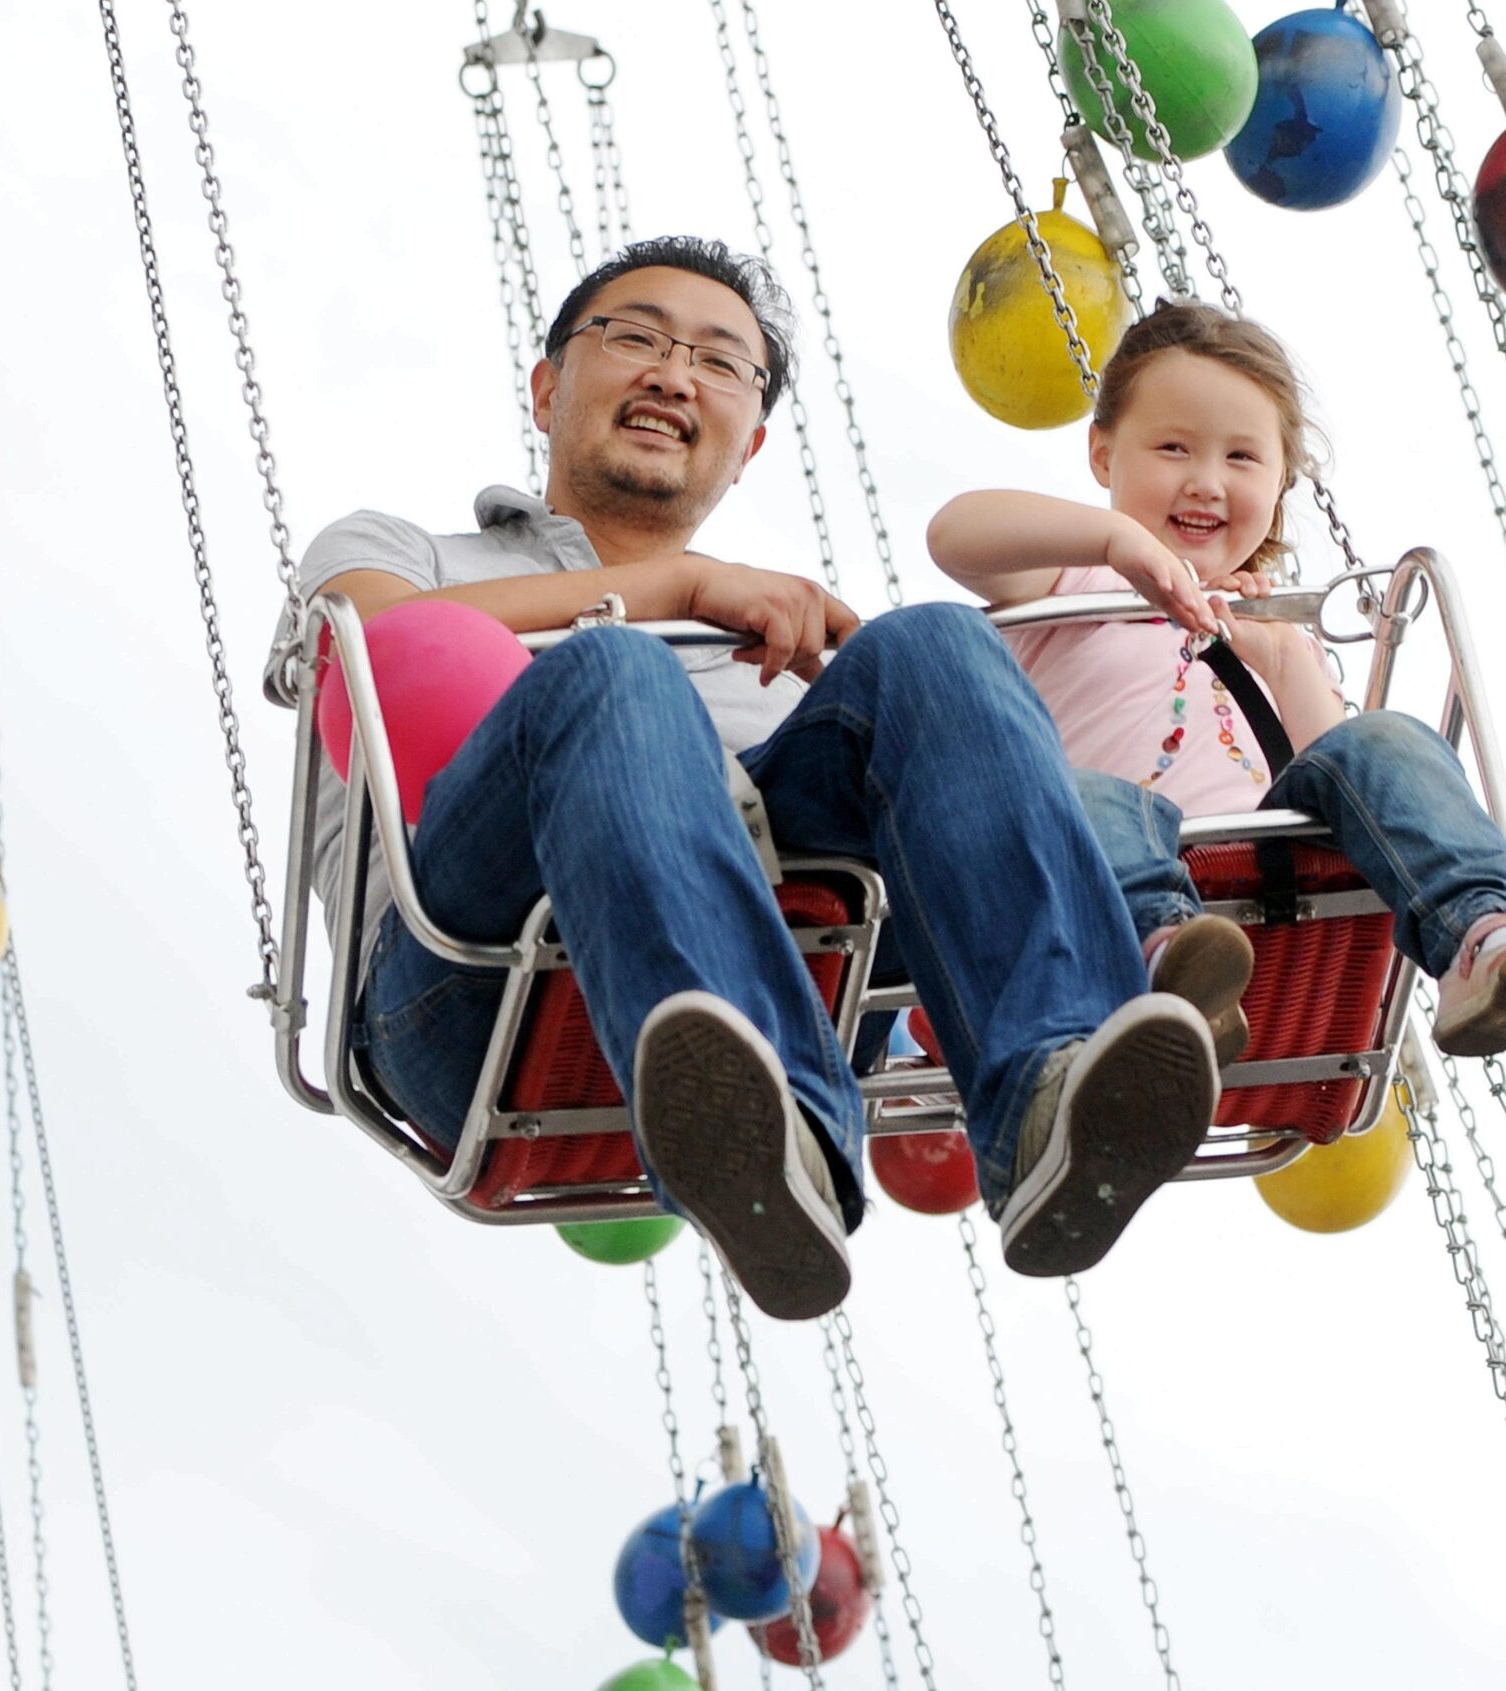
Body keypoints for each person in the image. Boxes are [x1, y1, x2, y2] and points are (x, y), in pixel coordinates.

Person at [270, 237, 1221, 1322]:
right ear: (547, 389)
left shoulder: (773, 646)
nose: (673, 374)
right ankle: (769, 1105)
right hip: (464, 988)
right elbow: (367, 640)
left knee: (934, 645)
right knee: (613, 671)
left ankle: (1037, 1094)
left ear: (750, 441)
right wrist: (671, 587)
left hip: (800, 987)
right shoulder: (402, 548)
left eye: (721, 363)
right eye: (634, 337)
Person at [925, 300, 1506, 1064]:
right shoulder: (1075, 578)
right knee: (1080, 793)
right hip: (1112, 889)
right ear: (1104, 455)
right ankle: (1173, 969)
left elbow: (1343, 782)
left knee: (1386, 739)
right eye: (1174, 447)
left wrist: (1280, 657)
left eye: (1242, 459)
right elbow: (955, 535)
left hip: (1276, 903)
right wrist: (1117, 545)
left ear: (1281, 482)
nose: (1207, 482)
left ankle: (1485, 936)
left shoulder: (1281, 637)